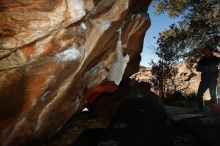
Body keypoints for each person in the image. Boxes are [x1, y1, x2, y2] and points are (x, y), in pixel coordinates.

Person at [196, 45, 220, 111]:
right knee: (199, 94)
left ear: (210, 51)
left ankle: (215, 110)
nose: (206, 51)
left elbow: (213, 68)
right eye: (205, 50)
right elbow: (198, 68)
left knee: (213, 95)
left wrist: (204, 68)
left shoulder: (215, 59)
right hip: (204, 80)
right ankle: (201, 109)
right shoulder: (202, 60)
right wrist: (208, 68)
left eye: (207, 50)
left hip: (212, 80)